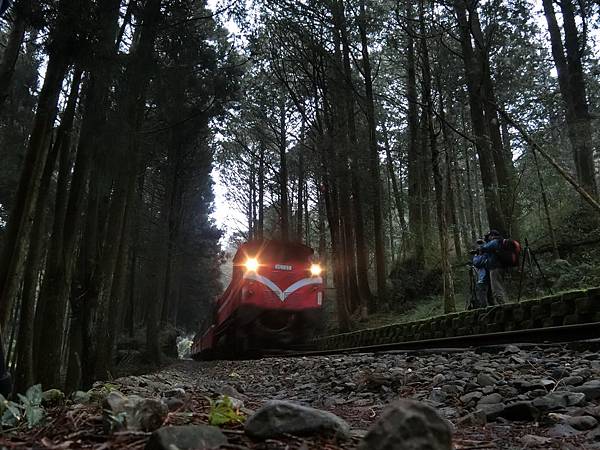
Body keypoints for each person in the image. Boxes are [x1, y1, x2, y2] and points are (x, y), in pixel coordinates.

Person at [480, 229, 509, 305]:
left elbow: (484, 248)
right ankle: (504, 302)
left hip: (495, 267)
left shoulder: (494, 242)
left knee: (496, 288)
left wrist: (483, 244)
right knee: (499, 285)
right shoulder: (500, 241)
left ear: (492, 236)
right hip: (501, 267)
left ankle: (502, 304)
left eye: (488, 236)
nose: (487, 238)